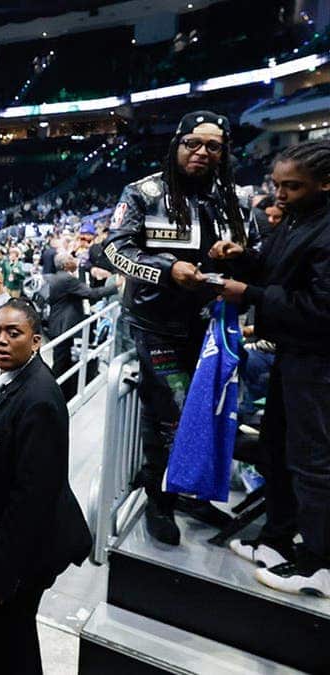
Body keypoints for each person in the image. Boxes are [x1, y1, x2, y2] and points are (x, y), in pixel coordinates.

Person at [101, 110, 256, 545]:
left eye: (213, 146)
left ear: (224, 152)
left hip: (216, 328)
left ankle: (191, 490)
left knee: (209, 411)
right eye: (193, 143)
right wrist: (167, 271)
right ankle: (159, 499)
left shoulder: (237, 200)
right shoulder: (143, 192)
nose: (201, 153)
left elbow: (257, 253)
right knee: (170, 410)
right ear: (177, 144)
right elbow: (113, 250)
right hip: (157, 325)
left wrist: (238, 254)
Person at [0, 298, 90, 674]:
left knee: (9, 645)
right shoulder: (4, 381)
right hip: (4, 547)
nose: (2, 341)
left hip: (24, 556)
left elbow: (32, 499)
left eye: (14, 333)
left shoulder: (39, 397)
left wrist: (0, 576)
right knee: (9, 640)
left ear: (37, 340)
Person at [218, 139, 330, 597]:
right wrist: (241, 259)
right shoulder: (300, 217)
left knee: (314, 463)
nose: (280, 194)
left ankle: (320, 564)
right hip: (292, 353)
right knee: (278, 448)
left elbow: (322, 308)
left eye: (293, 187)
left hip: (320, 363)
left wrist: (251, 295)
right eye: (278, 185)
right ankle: (277, 539)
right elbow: (274, 268)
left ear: (325, 184)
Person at [44, 253, 118, 400]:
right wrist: (116, 286)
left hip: (58, 324)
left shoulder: (58, 277)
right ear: (65, 264)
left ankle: (60, 394)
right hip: (62, 327)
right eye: (71, 259)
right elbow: (91, 294)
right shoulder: (67, 279)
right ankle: (54, 396)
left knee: (62, 363)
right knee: (60, 365)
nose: (75, 260)